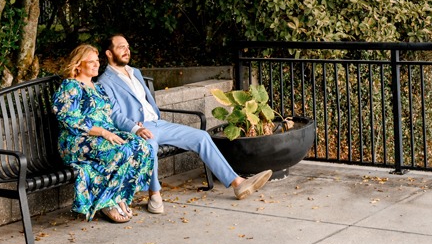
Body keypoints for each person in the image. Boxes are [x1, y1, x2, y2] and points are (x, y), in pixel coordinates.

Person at [96, 34, 270, 213]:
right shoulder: (104, 82)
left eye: (128, 46)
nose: (127, 50)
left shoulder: (135, 72)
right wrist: (136, 128)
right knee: (149, 148)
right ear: (109, 53)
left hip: (158, 124)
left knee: (201, 136)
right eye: (121, 47)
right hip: (137, 130)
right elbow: (115, 115)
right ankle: (154, 195)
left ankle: (237, 183)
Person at [53, 44, 155, 223]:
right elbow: (68, 119)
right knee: (121, 151)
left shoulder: (98, 87)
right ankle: (106, 203)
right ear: (78, 65)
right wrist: (102, 132)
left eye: (97, 61)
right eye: (90, 62)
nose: (96, 65)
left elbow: (111, 116)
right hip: (77, 140)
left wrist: (133, 126)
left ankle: (119, 196)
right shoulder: (71, 86)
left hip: (104, 136)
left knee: (142, 147)